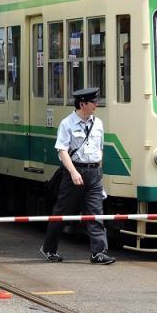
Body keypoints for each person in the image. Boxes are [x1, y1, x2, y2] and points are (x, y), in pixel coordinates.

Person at [40, 87, 115, 265]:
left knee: (96, 213)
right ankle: (49, 248)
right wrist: (73, 172)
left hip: (94, 173)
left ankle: (99, 252)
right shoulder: (67, 123)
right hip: (75, 172)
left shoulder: (98, 123)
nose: (96, 105)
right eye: (93, 102)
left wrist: (100, 173)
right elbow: (62, 150)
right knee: (63, 212)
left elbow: (100, 149)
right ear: (82, 104)